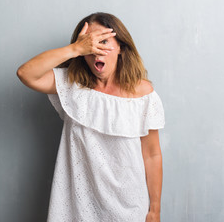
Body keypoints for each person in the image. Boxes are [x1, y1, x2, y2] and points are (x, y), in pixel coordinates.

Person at [16, 12, 165, 222]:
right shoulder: (71, 85)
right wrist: (74, 48)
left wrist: (154, 210)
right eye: (89, 44)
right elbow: (26, 73)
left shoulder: (143, 95)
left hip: (130, 207)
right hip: (78, 208)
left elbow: (152, 154)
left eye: (103, 42)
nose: (96, 51)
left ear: (121, 47)